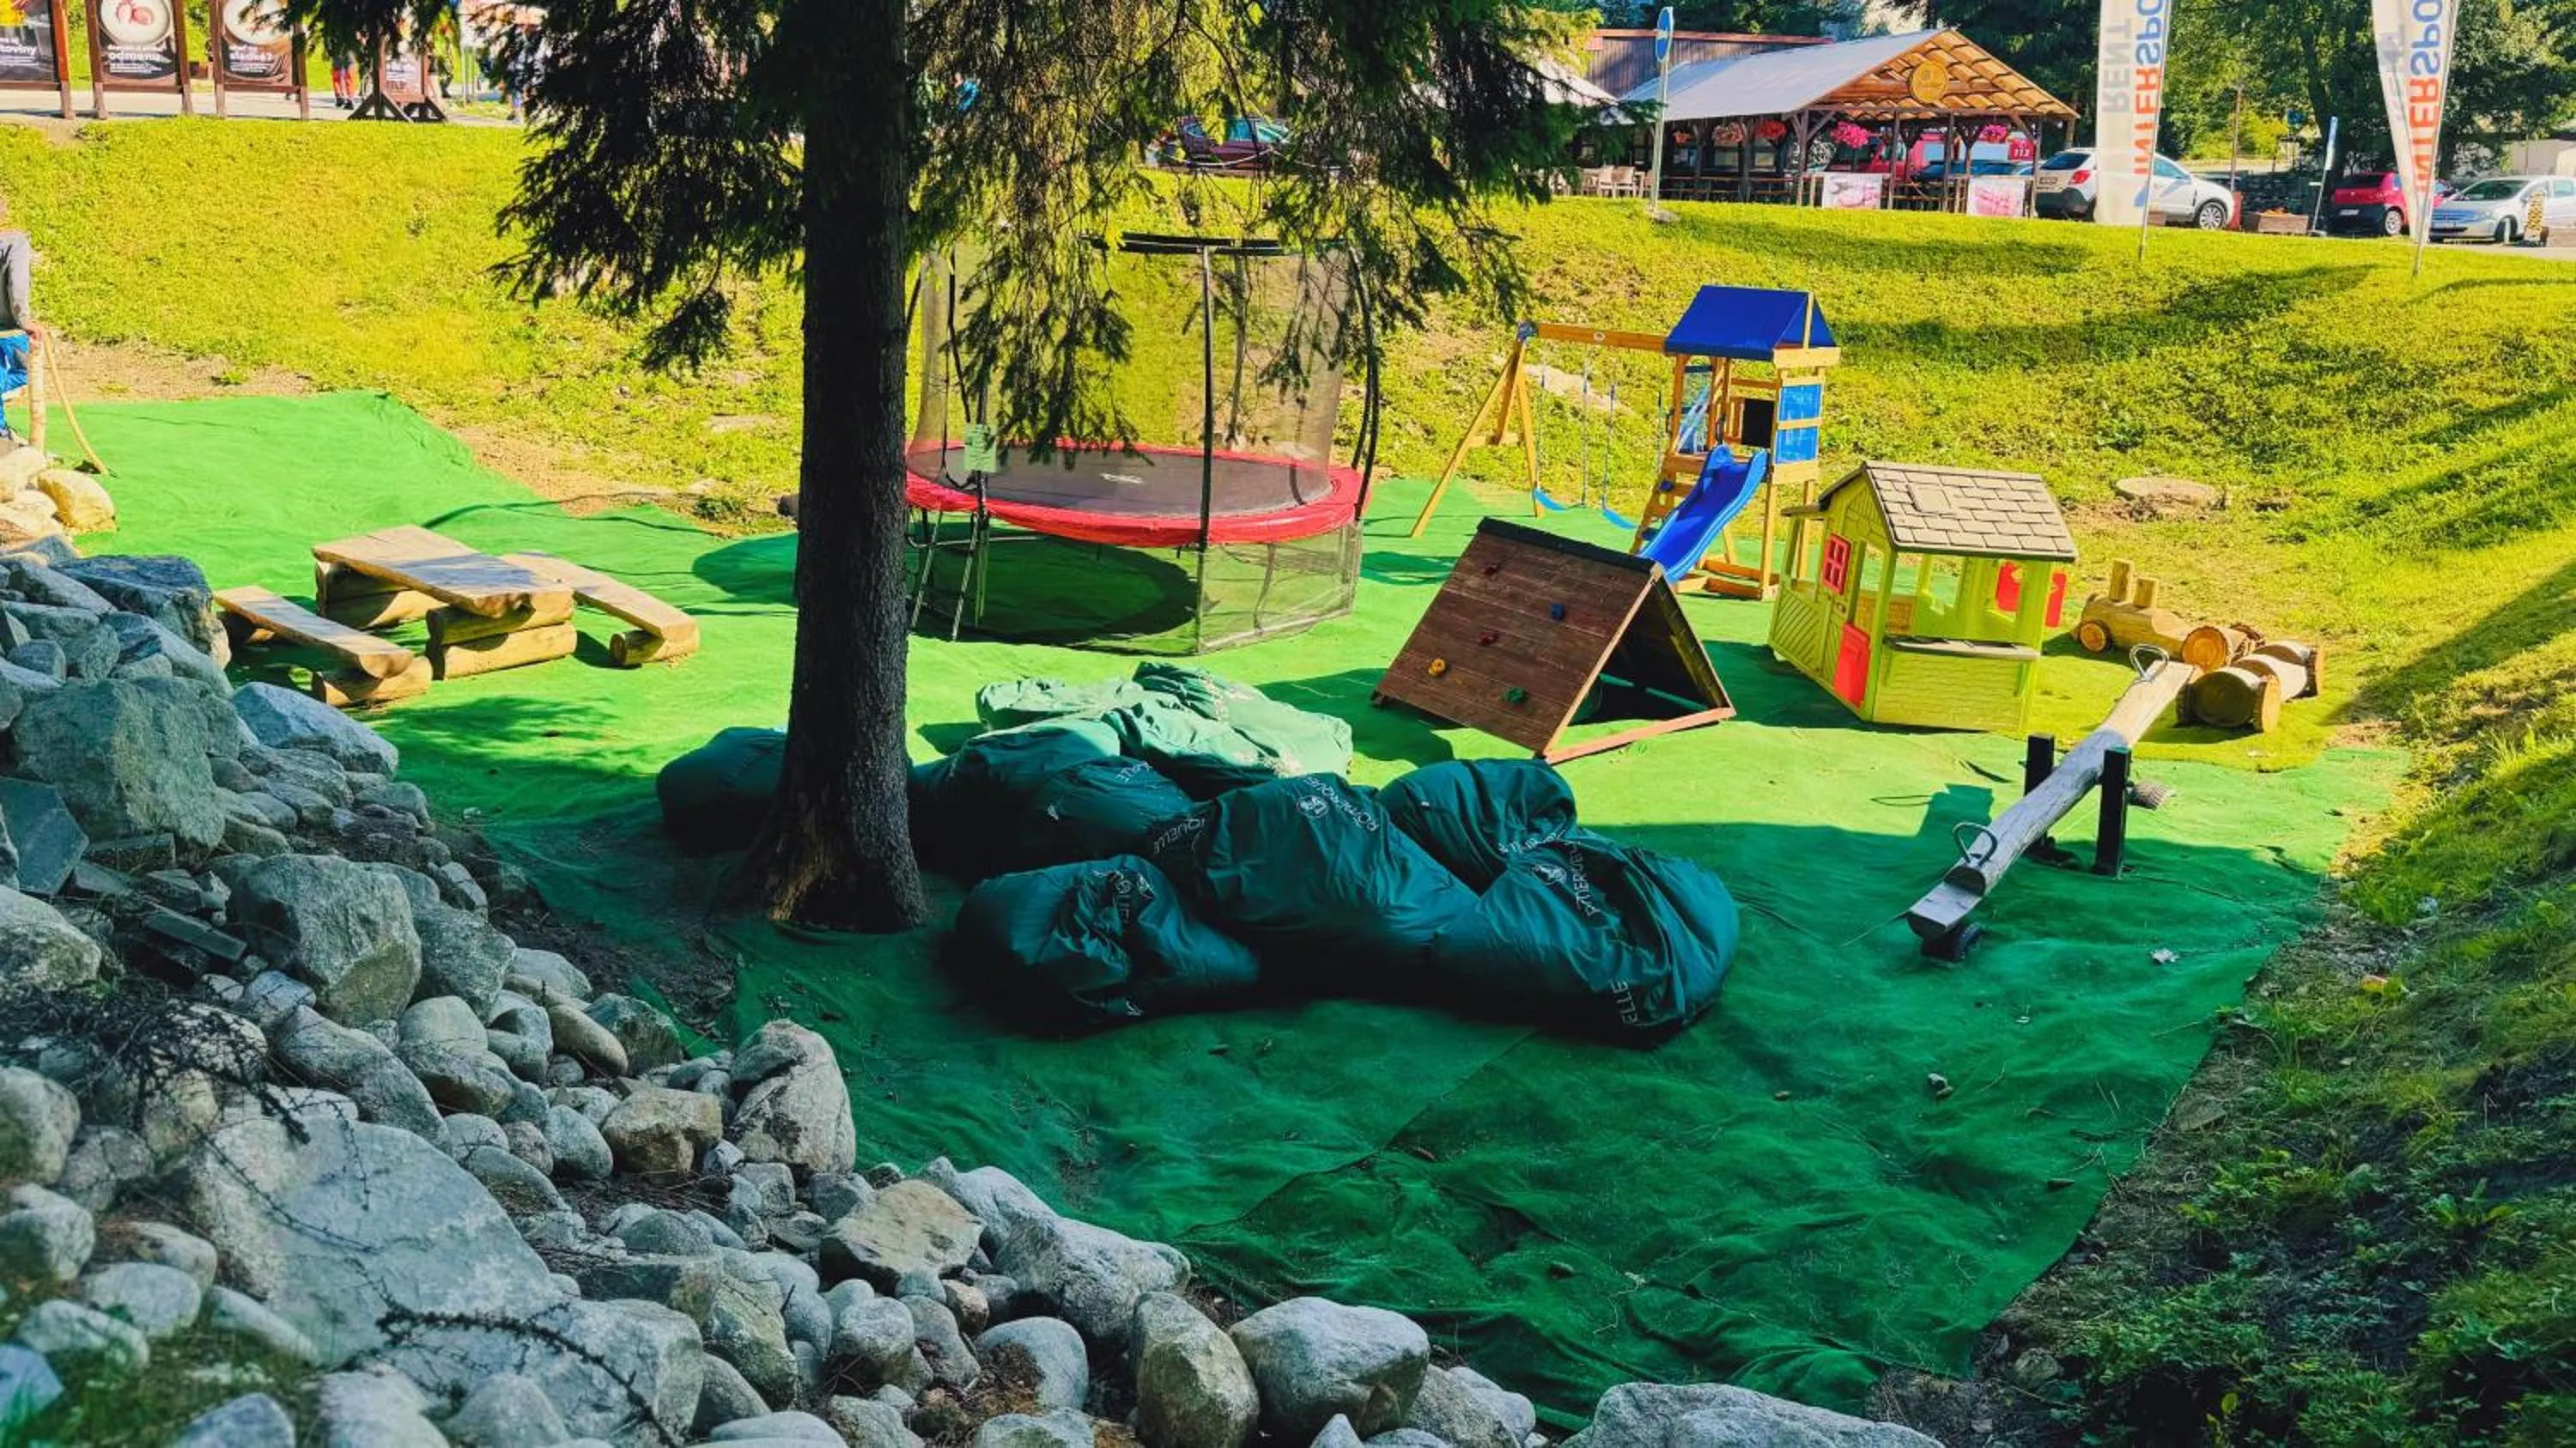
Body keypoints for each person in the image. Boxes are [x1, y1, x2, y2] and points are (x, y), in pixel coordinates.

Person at [0, 227, 41, 443]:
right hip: (10, 329)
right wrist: (25, 320)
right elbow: (18, 285)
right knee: (25, 372)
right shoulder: (15, 243)